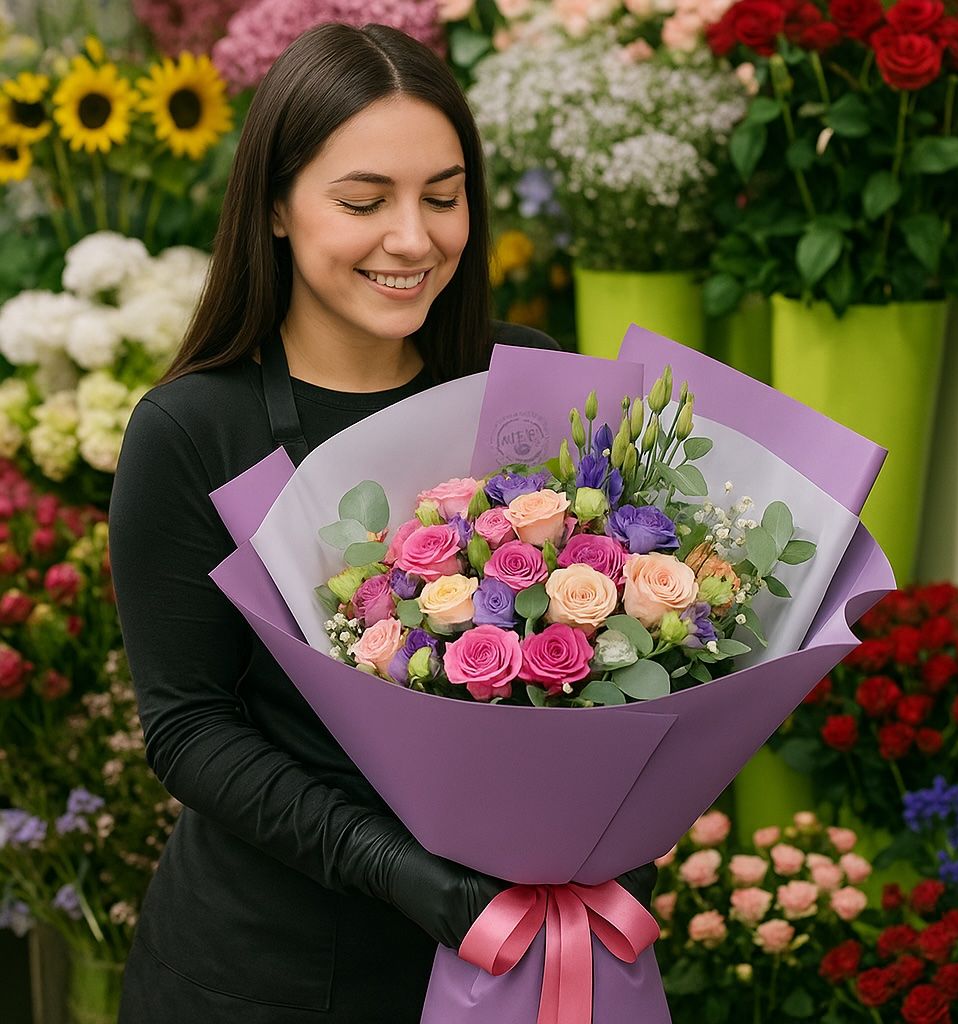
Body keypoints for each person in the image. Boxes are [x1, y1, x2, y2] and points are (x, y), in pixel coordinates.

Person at [109, 22, 653, 1024]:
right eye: (364, 202)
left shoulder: (523, 383)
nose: (413, 238)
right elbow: (189, 725)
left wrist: (621, 814)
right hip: (269, 971)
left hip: (524, 955)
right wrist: (387, 862)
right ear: (275, 206)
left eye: (443, 197)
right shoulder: (193, 430)